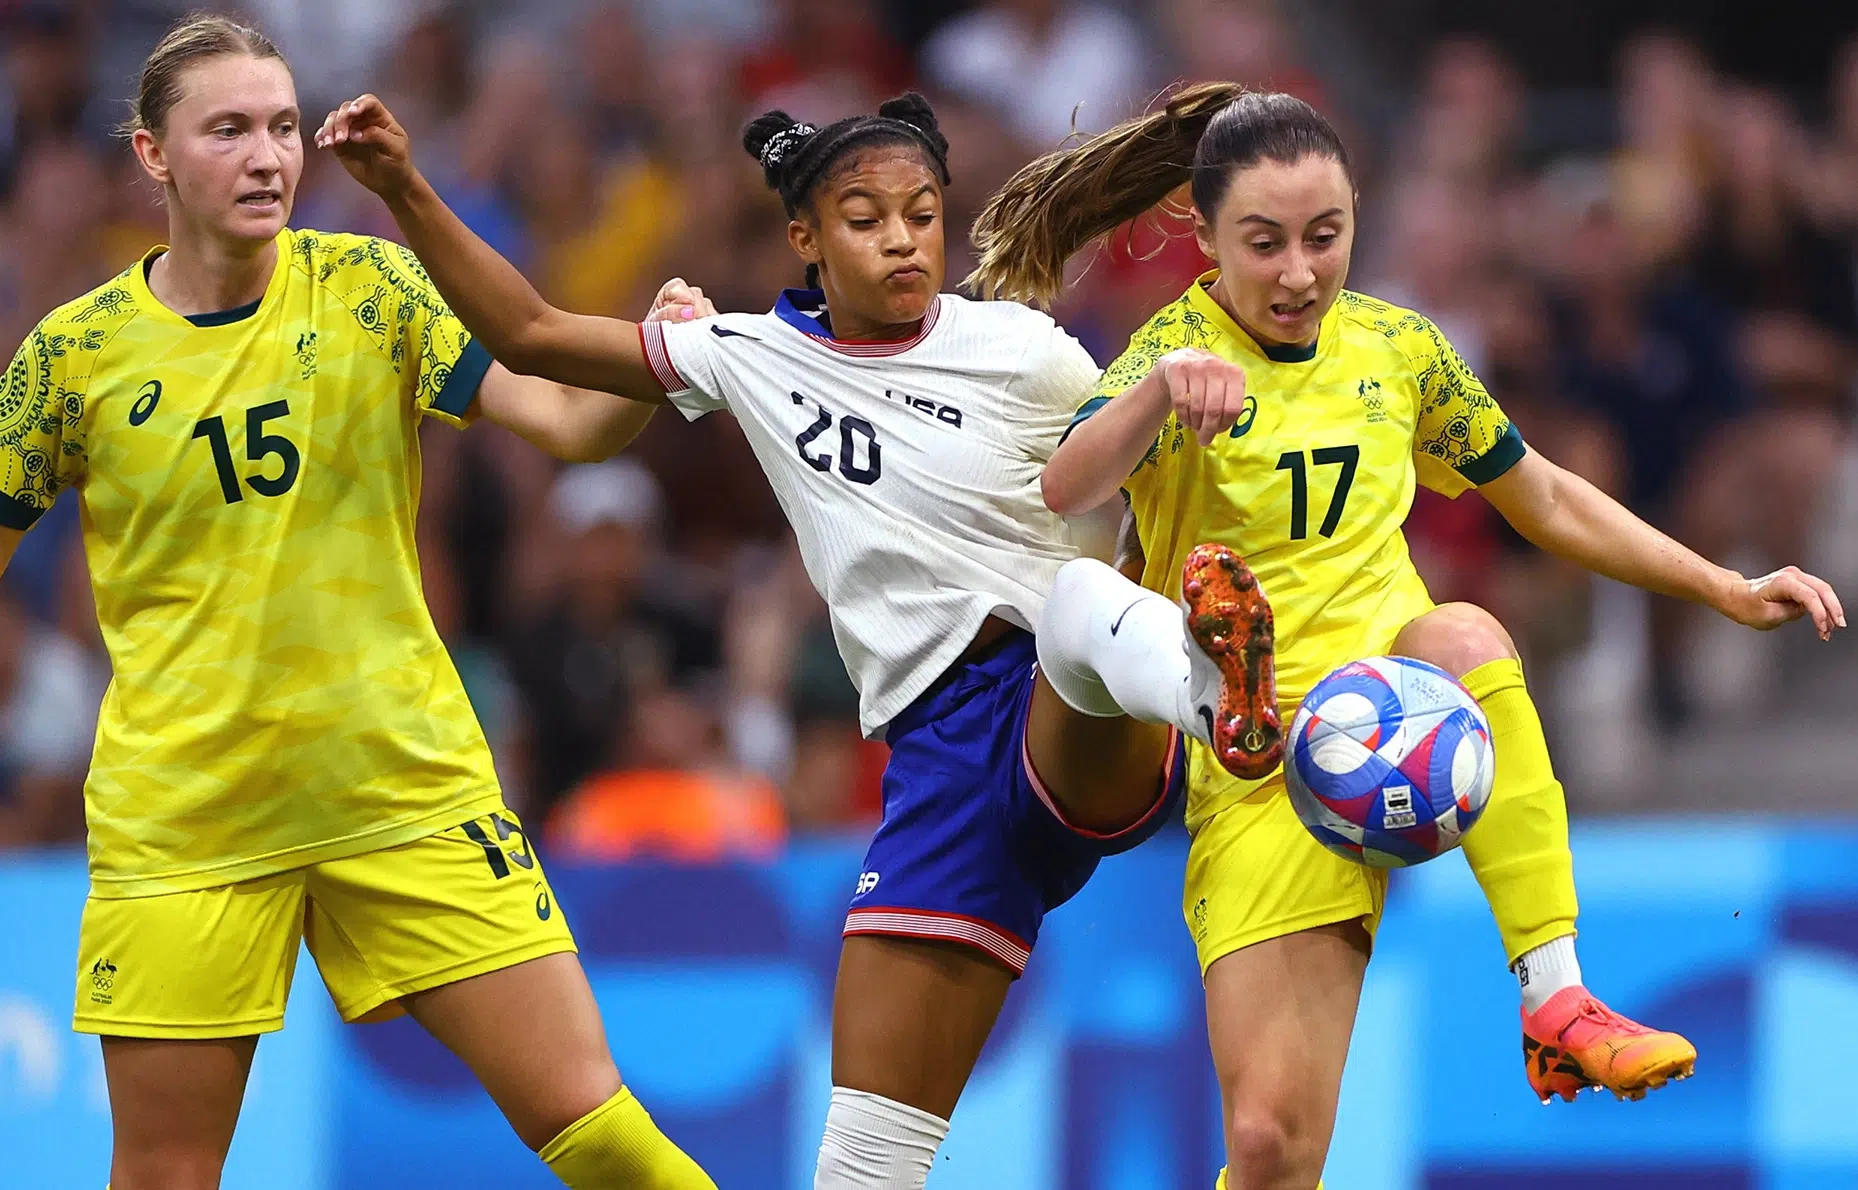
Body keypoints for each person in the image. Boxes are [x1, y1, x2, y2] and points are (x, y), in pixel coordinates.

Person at [0, 16, 716, 1190]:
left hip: (400, 783)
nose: (266, 156)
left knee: (596, 1124)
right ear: (153, 156)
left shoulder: (371, 286)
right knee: (164, 1175)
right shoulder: (77, 351)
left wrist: (657, 367)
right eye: (227, 131)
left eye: (279, 127)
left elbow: (570, 421)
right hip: (189, 821)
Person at [319, 87, 1282, 1188]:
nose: (901, 240)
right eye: (865, 218)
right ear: (804, 236)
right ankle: (1202, 678)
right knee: (858, 1168)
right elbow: (530, 334)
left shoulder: (1029, 351)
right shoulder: (744, 356)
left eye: (921, 214)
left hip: (1071, 712)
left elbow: (1148, 484)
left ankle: (1219, 698)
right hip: (936, 769)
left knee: (1071, 610)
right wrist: (402, 185)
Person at [970, 83, 1846, 1189]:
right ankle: (1237, 702)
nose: (1298, 271)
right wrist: (1153, 397)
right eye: (1264, 242)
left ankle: (1555, 994)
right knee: (1268, 1146)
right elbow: (1066, 484)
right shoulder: (1172, 348)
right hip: (1259, 760)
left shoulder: (1398, 347)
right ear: (1203, 235)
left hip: (1398, 702)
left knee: (1466, 631)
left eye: (1324, 237)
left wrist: (1721, 584)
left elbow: (1543, 497)